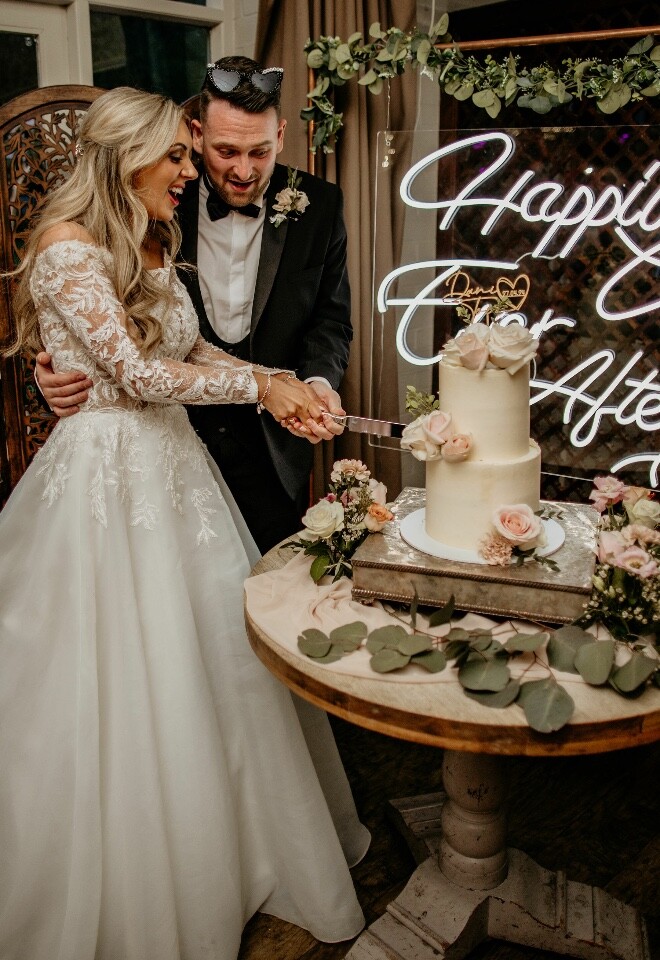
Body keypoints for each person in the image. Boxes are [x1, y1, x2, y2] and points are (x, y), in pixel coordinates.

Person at [0, 86, 369, 960]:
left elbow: (187, 347)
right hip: (107, 481)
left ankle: (235, 849)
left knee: (212, 668)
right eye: (175, 154)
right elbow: (135, 375)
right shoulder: (66, 247)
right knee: (118, 672)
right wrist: (258, 386)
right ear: (126, 155)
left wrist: (282, 382)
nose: (190, 169)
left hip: (176, 472)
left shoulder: (150, 238)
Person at [36, 56, 352, 553]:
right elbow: (99, 335)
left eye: (259, 151)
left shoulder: (320, 204)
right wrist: (56, 369)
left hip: (265, 449)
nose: (243, 170)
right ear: (198, 135)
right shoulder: (160, 200)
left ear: (281, 136)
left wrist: (300, 385)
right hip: (147, 451)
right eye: (225, 151)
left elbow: (328, 320)